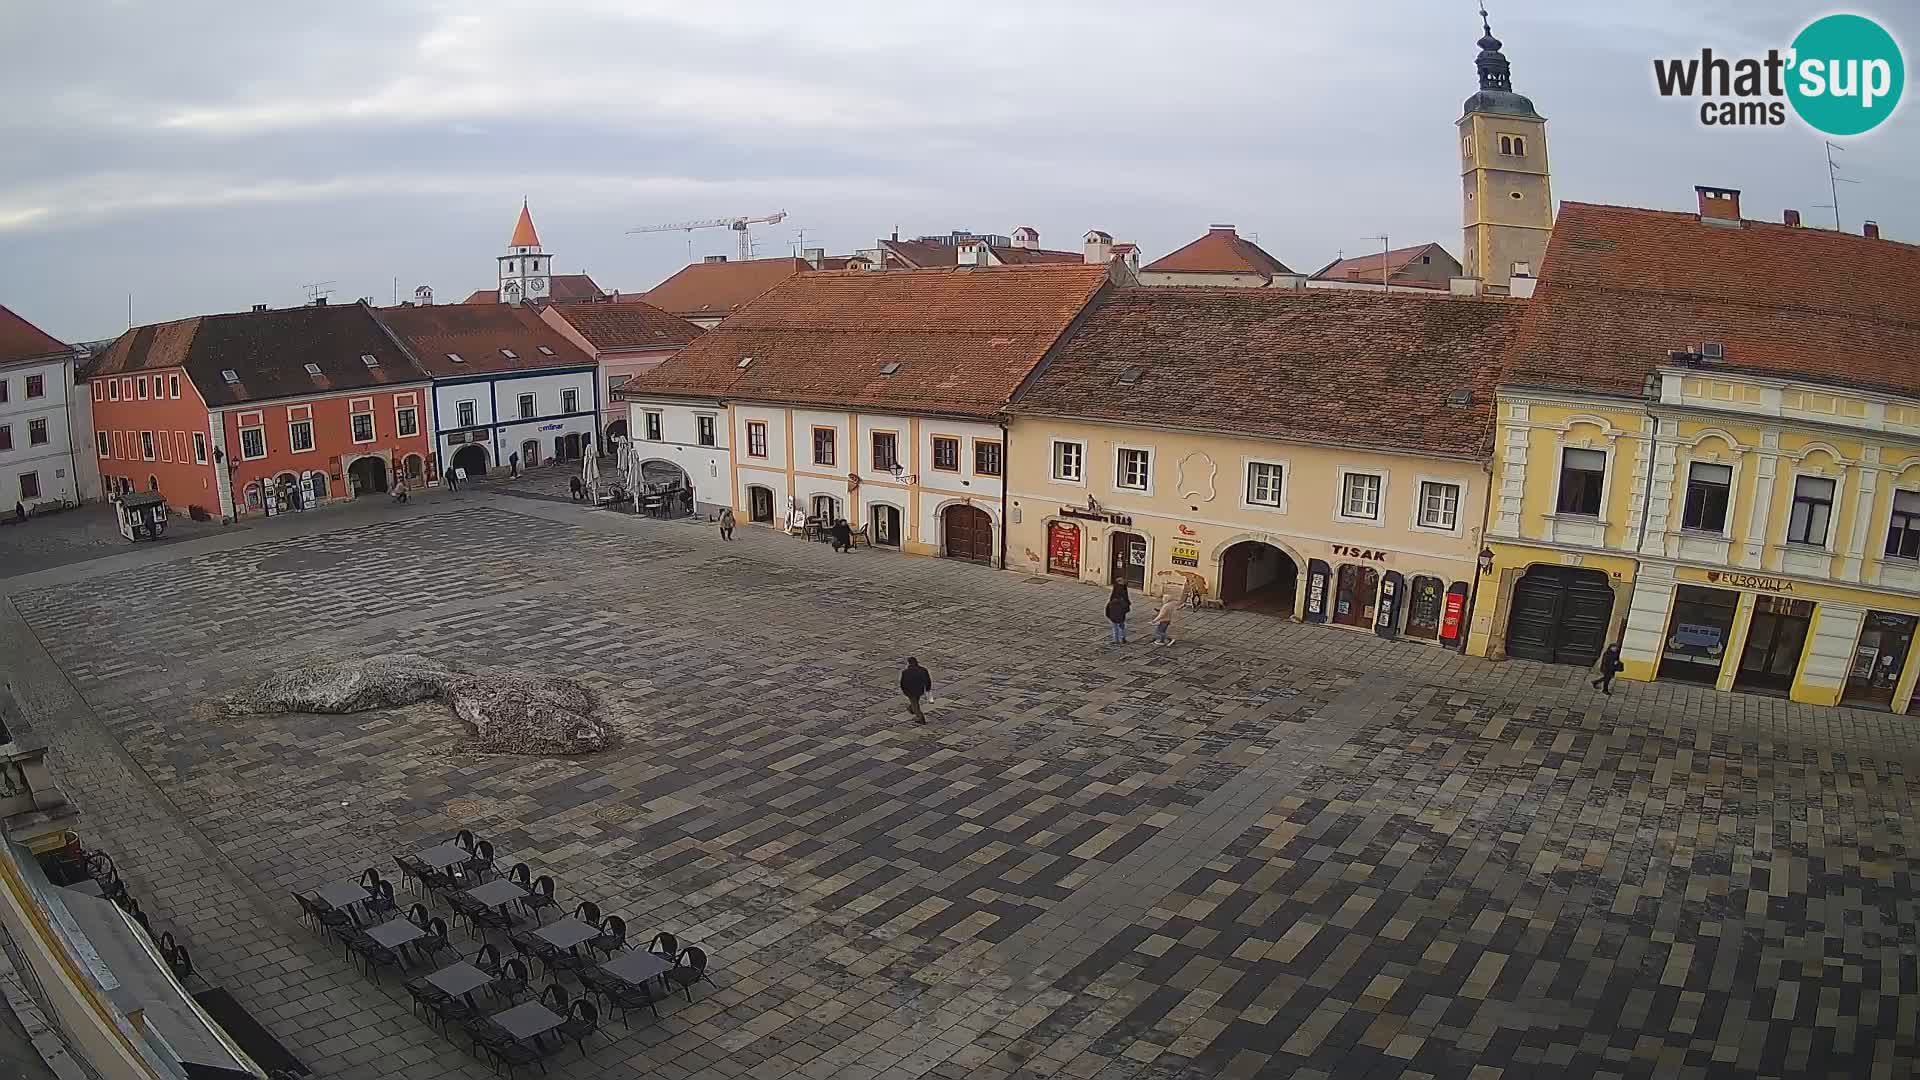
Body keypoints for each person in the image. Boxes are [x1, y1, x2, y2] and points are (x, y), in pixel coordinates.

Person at [900, 657, 932, 725]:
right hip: (919, 690)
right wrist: (927, 689)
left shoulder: (905, 672)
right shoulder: (923, 670)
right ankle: (911, 708)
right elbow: (927, 680)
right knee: (915, 701)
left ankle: (920, 717)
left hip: (910, 691)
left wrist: (905, 691)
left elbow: (903, 683)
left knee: (915, 704)